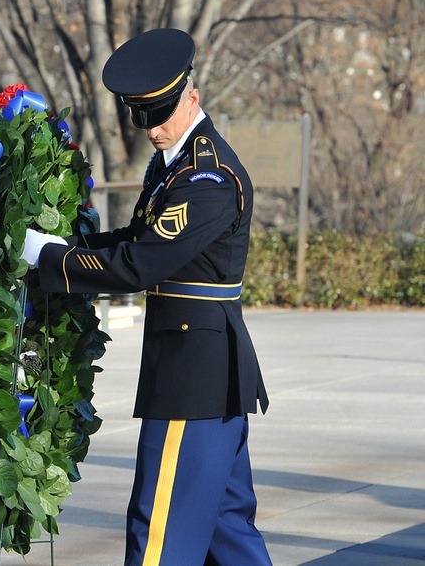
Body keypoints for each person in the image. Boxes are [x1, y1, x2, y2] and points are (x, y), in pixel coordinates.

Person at [22, 28, 272, 565]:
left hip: (192, 378)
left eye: (162, 114)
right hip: (204, 372)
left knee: (159, 537)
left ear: (192, 98)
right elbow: (138, 238)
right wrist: (68, 244)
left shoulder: (206, 176)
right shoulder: (174, 164)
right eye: (143, 117)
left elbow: (139, 265)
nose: (153, 129)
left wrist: (49, 258)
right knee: (230, 537)